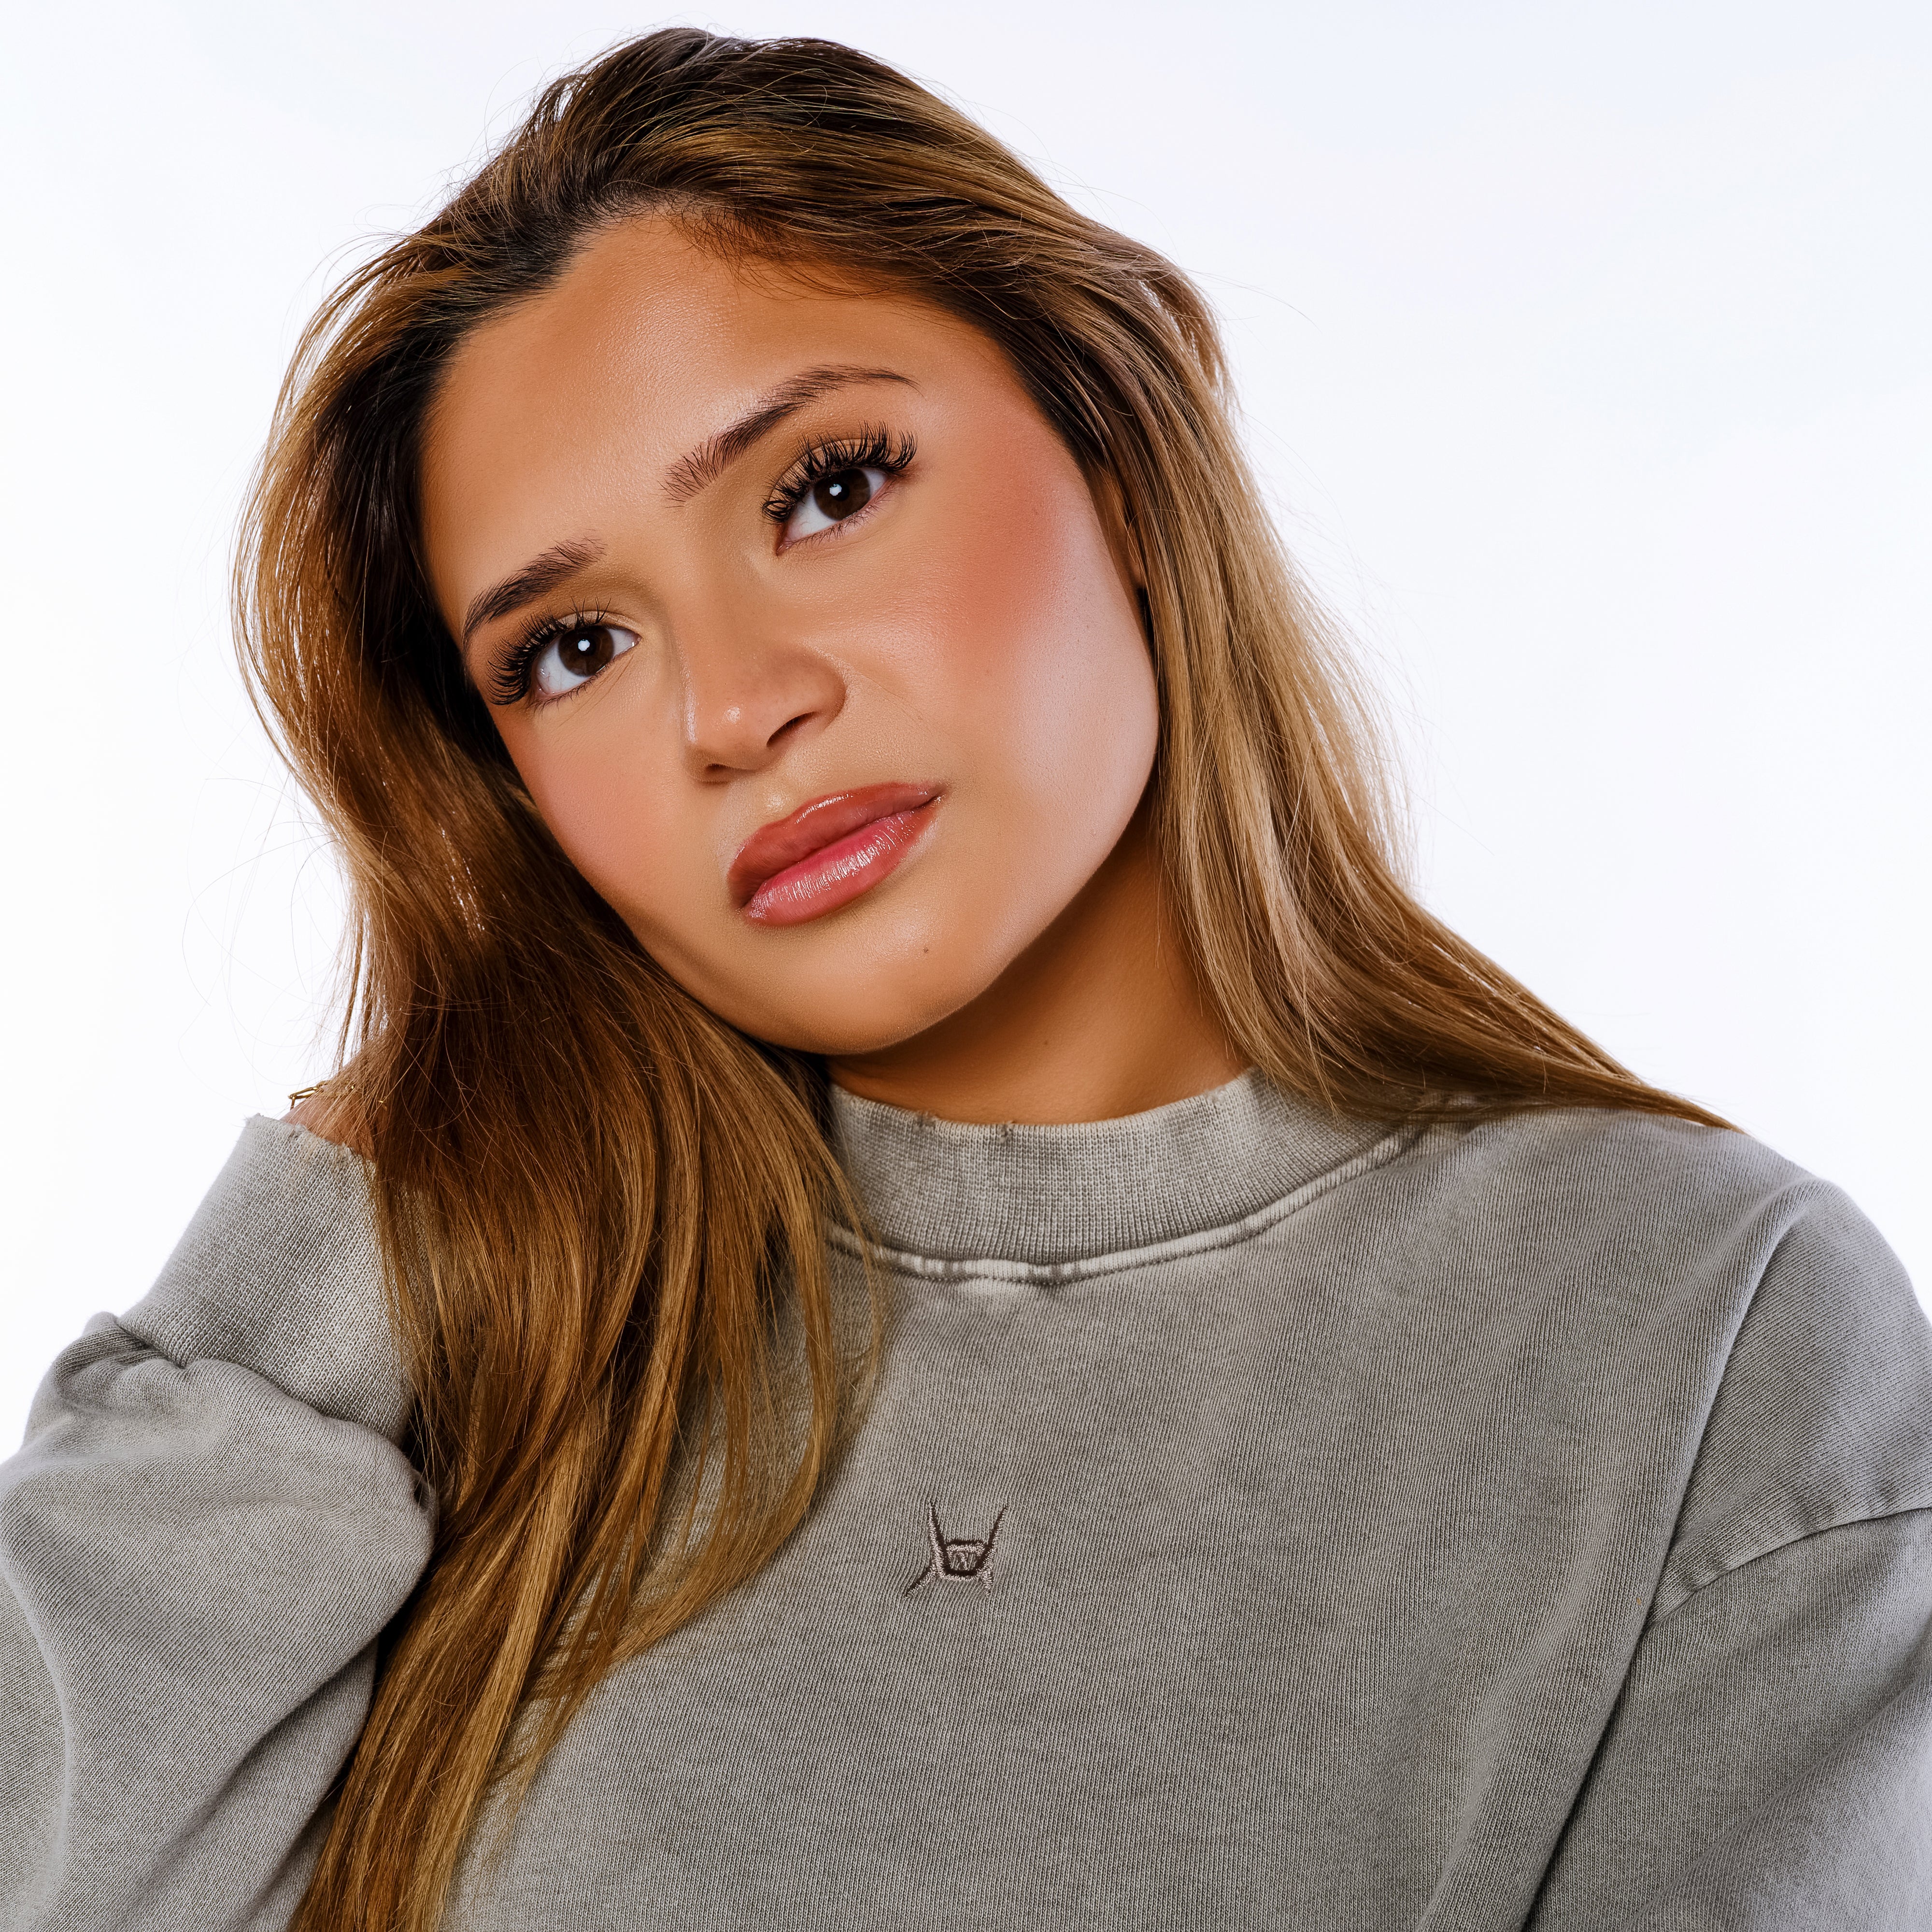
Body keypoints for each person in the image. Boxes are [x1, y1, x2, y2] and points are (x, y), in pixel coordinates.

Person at [3, 28, 1927, 1932]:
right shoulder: (459, 1350)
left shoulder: (1694, 1344)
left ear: (1123, 420)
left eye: (826, 488)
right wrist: (347, 1240)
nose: (737, 708)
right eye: (577, 646)